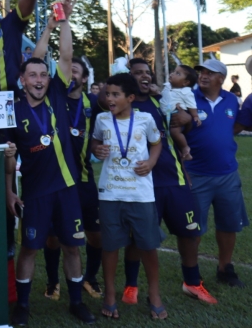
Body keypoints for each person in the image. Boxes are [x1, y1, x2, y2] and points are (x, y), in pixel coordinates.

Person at [7, 0, 96, 326]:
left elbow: (66, 55)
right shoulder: (13, 109)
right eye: (33, 75)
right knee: (29, 249)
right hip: (35, 192)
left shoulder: (59, 93)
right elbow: (5, 154)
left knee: (73, 247)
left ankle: (75, 302)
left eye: (44, 74)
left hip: (68, 188)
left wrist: (63, 22)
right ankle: (24, 306)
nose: (40, 79)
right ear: (23, 79)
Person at [118, 59, 211, 303]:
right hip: (141, 183)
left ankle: (192, 282)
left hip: (174, 178)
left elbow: (181, 127)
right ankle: (131, 286)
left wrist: (186, 119)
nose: (144, 76)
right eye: (138, 73)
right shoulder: (121, 106)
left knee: (189, 233)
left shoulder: (162, 102)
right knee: (139, 238)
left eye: (147, 72)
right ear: (129, 79)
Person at [31, 17, 104, 301]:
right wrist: (52, 27)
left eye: (77, 72)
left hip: (84, 180)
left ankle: (91, 277)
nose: (71, 74)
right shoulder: (52, 95)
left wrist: (98, 145)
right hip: (54, 181)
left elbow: (106, 128)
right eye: (68, 69)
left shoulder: (94, 104)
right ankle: (52, 281)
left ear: (85, 79)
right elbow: (40, 59)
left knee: (94, 235)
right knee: (53, 238)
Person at [91, 73, 164, 319]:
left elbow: (157, 142)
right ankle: (110, 294)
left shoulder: (145, 119)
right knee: (110, 247)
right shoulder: (102, 119)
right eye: (107, 94)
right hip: (110, 194)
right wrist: (97, 149)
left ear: (130, 98)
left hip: (141, 194)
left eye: (115, 95)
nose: (109, 98)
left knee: (148, 246)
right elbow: (95, 143)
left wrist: (152, 162)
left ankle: (154, 294)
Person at [184, 58, 249, 287]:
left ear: (220, 78)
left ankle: (225, 268)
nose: (203, 75)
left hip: (227, 175)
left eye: (209, 73)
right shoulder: (187, 98)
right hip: (196, 174)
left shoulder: (231, 99)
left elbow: (235, 127)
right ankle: (192, 274)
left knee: (229, 224)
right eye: (201, 71)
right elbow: (175, 135)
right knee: (194, 228)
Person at [164, 64, 200, 161]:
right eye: (174, 72)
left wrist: (195, 116)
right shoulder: (167, 87)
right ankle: (179, 152)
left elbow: (191, 105)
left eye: (178, 74)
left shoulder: (186, 92)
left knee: (174, 132)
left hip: (177, 114)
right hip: (166, 115)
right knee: (170, 135)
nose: (173, 74)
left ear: (185, 82)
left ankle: (185, 148)